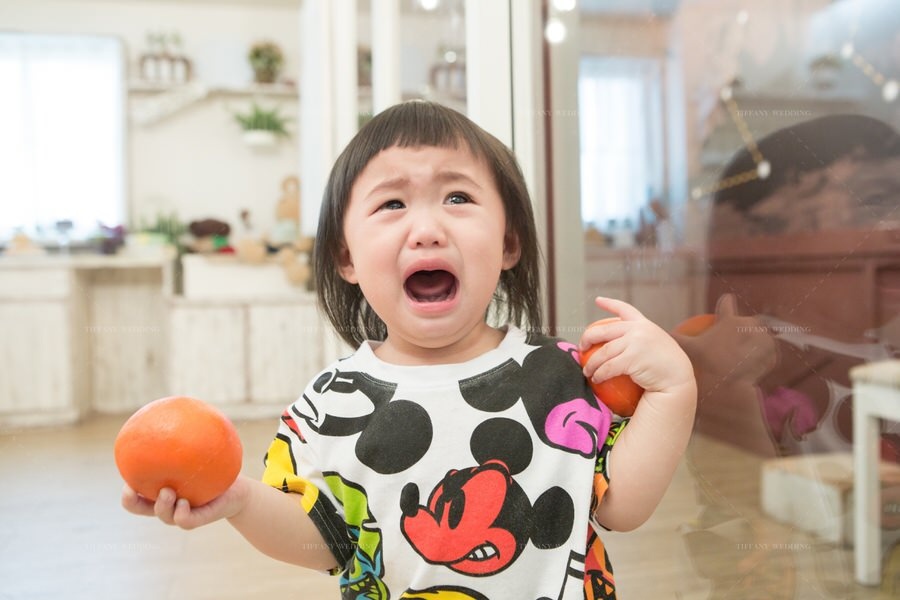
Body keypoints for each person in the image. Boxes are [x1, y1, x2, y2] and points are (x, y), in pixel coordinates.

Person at [122, 100, 696, 599]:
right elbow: (324, 541)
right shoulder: (330, 405)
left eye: (457, 197)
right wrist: (238, 501)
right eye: (392, 204)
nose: (426, 229)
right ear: (346, 257)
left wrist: (674, 390)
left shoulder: (562, 376)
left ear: (508, 243)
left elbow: (623, 506)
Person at [674, 113, 900, 598]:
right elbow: (738, 491)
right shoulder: (758, 354)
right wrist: (725, 384)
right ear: (778, 236)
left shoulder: (887, 352)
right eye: (876, 200)